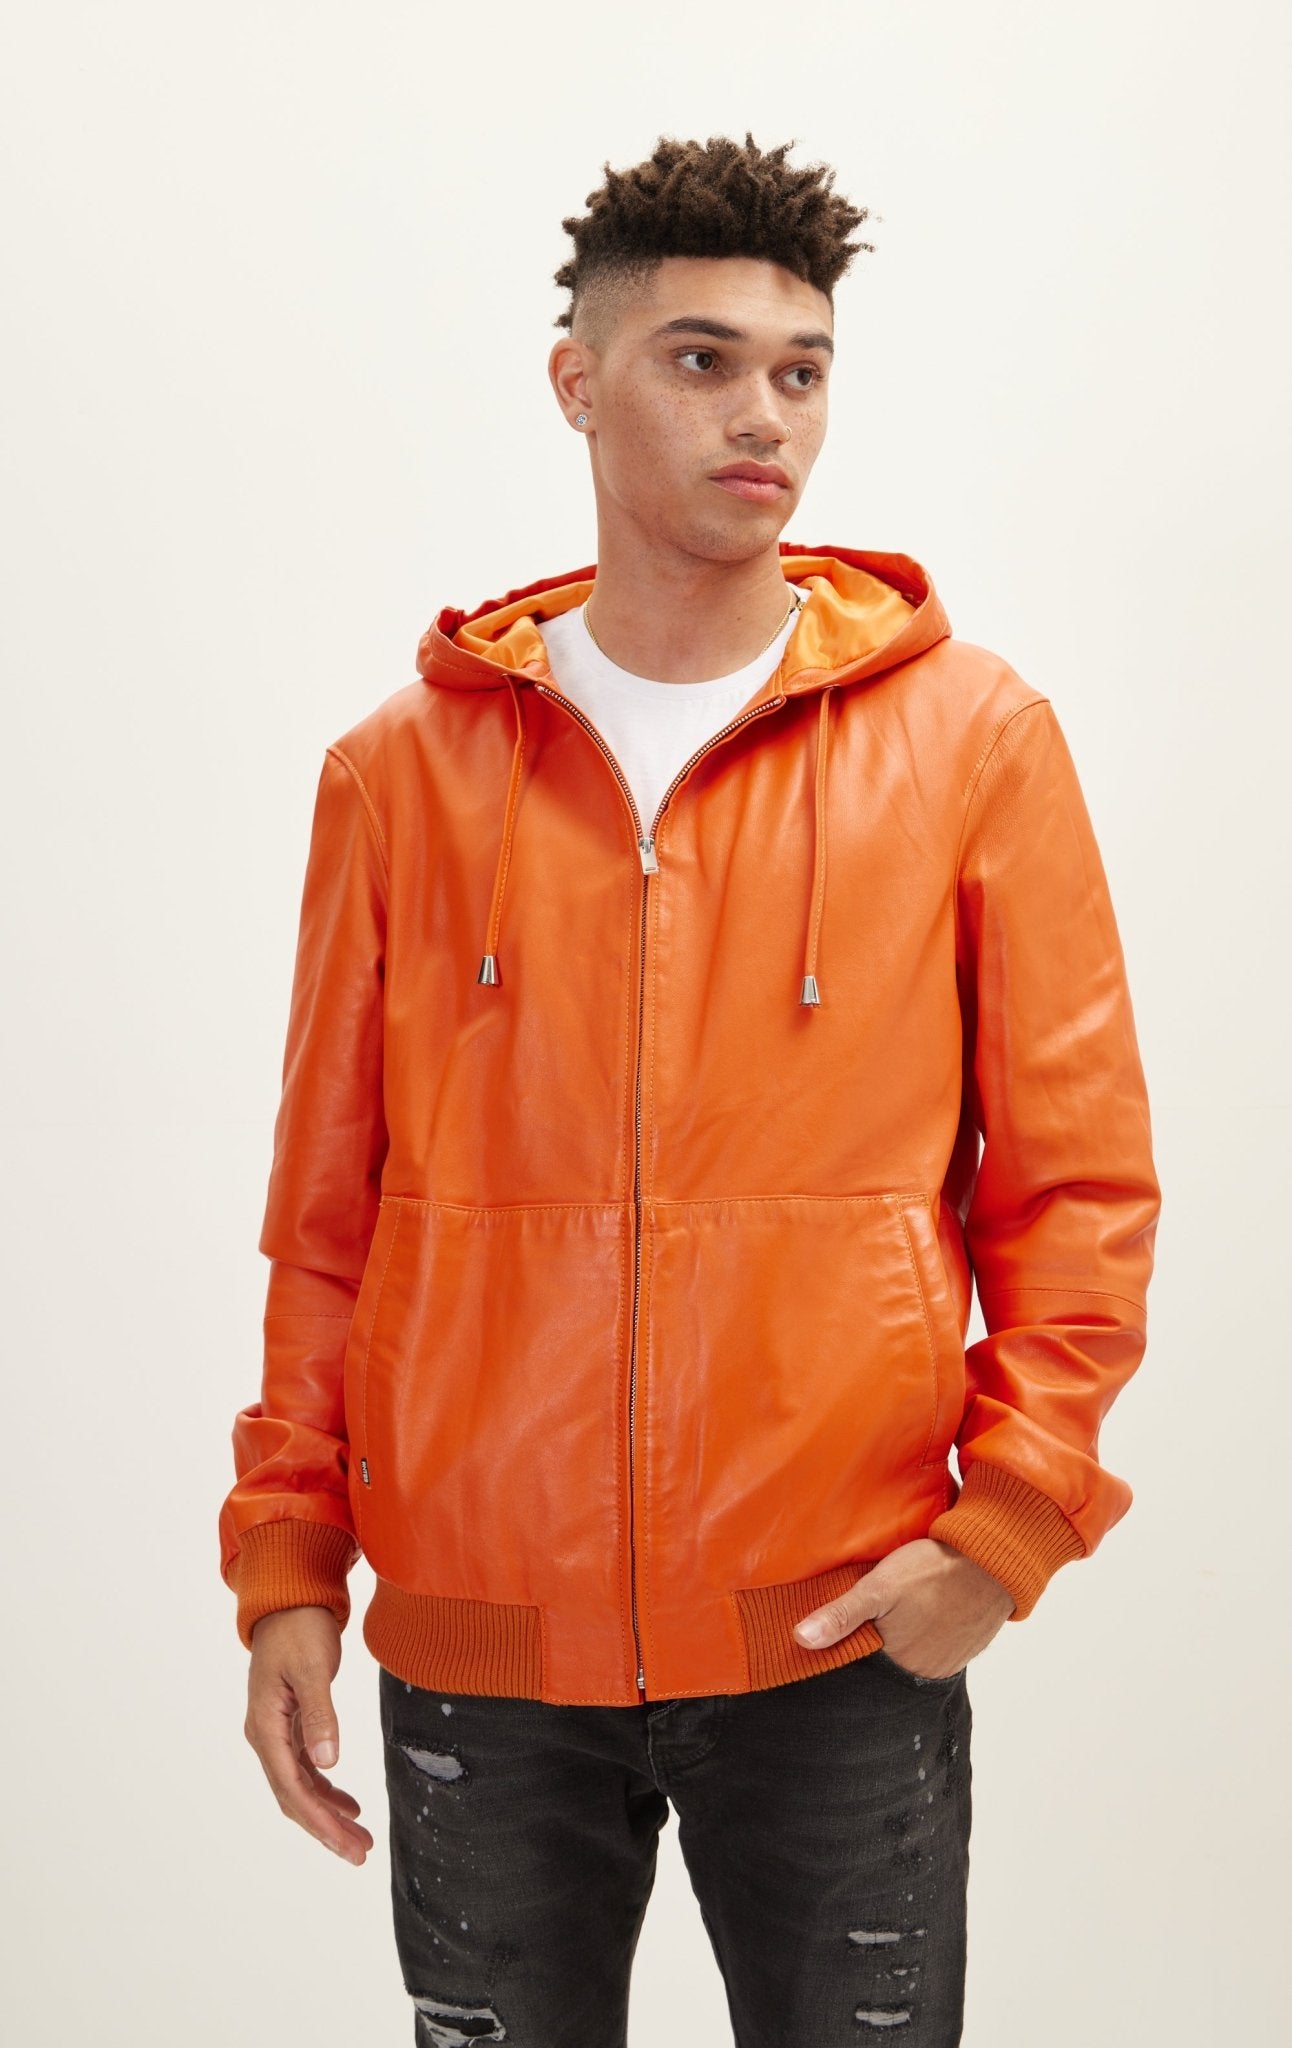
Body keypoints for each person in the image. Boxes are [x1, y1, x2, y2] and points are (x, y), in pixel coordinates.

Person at [219, 132, 1161, 2046]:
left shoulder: (973, 740)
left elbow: (1078, 1190)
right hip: (485, 1648)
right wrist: (289, 1557)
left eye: (802, 369)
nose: (765, 416)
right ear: (578, 381)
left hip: (839, 1631)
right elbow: (327, 1221)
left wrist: (1010, 1529)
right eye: (703, 360)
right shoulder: (400, 772)